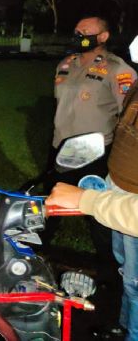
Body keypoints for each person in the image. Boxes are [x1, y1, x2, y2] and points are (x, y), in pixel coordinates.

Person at [47, 70, 138, 340]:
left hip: (130, 205)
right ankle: (124, 325)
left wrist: (87, 200)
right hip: (119, 189)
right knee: (126, 272)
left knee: (135, 281)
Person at [44, 16, 136, 256]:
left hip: (95, 151)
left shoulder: (118, 70)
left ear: (103, 37)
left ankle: (107, 261)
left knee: (97, 210)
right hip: (60, 145)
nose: (78, 35)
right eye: (76, 30)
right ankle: (40, 245)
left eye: (85, 31)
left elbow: (129, 115)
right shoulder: (66, 64)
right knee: (51, 198)